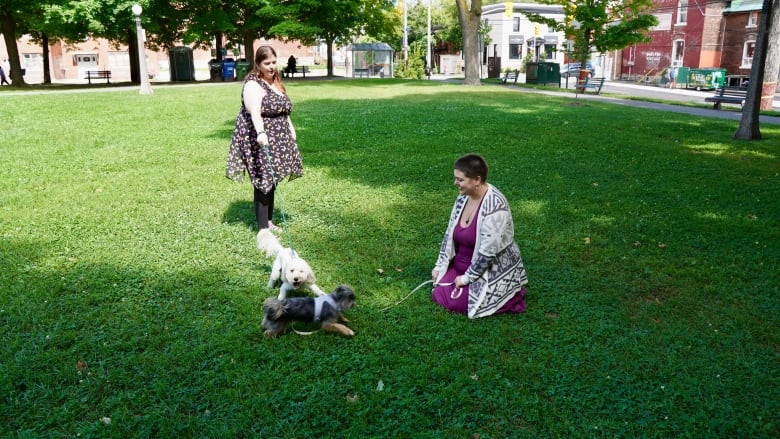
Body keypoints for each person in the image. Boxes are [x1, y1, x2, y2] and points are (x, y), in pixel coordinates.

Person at [431, 154, 528, 318]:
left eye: (460, 180)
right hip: (462, 264)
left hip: (488, 269)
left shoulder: (495, 206)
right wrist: (440, 265)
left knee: (457, 303)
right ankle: (455, 280)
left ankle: (508, 295)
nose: (455, 183)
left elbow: (487, 254)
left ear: (477, 180)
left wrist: (466, 279)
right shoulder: (463, 198)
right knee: (439, 288)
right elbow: (449, 235)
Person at [226, 46, 303, 230]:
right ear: (258, 64)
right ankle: (263, 228)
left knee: (273, 178)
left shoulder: (275, 83)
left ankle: (268, 221)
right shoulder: (254, 84)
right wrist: (261, 133)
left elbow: (284, 110)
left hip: (279, 138)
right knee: (263, 180)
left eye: (274, 62)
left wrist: (291, 129)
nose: (271, 67)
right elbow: (255, 113)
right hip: (260, 137)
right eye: (266, 63)